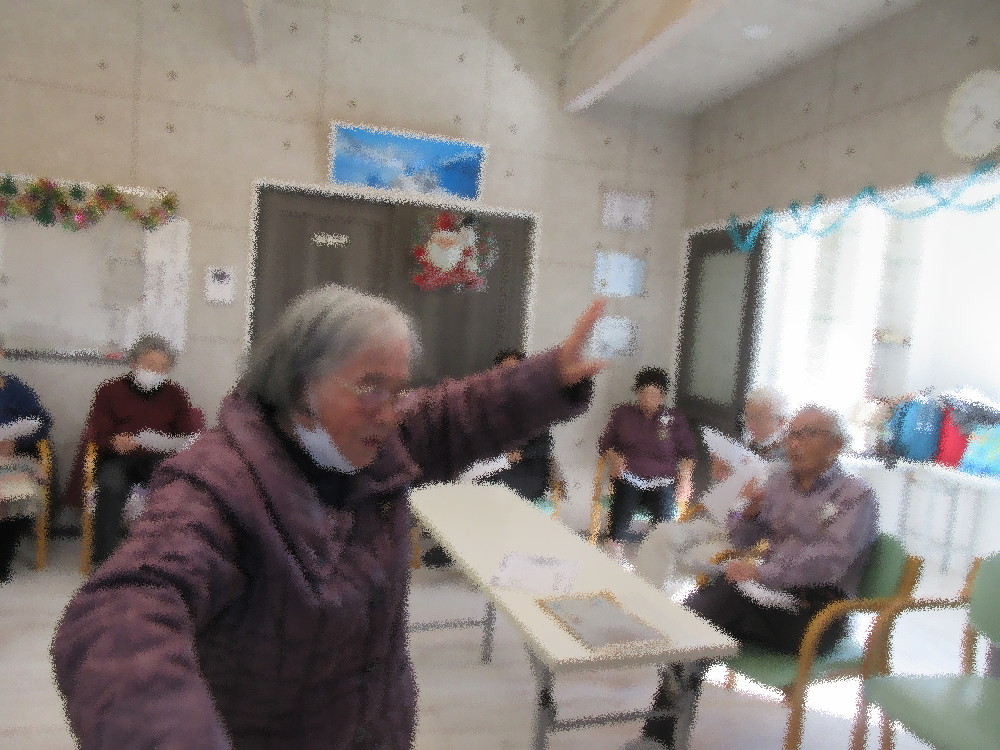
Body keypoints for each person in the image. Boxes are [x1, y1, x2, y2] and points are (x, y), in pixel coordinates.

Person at [51, 284, 606, 749]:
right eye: (370, 389)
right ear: (300, 385)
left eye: (397, 391)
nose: (390, 414)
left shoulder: (375, 441)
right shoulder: (217, 482)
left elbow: (452, 413)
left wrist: (549, 376)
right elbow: (122, 614)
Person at [624, 405, 878, 750]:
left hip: (816, 615)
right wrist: (749, 512)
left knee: (706, 616)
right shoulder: (780, 483)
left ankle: (659, 732)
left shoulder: (856, 495)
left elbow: (830, 562)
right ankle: (662, 733)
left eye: (807, 434)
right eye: (792, 434)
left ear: (835, 446)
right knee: (708, 614)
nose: (794, 443)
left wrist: (761, 572)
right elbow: (744, 539)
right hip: (766, 599)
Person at [639, 387, 790, 587]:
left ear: (781, 422)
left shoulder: (789, 463)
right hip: (718, 521)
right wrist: (722, 476)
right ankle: (645, 597)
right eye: (747, 417)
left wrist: (753, 501)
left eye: (757, 419)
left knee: (694, 555)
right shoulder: (752, 446)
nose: (749, 424)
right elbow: (726, 495)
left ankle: (660, 599)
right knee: (662, 533)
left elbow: (775, 518)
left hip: (744, 536)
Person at [74, 334, 201, 567]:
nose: (156, 372)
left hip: (158, 458)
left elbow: (187, 435)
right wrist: (114, 441)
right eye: (150, 365)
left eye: (162, 368)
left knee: (172, 488)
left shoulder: (175, 395)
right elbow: (97, 433)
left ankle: (160, 560)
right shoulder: (109, 391)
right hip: (118, 458)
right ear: (134, 363)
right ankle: (104, 562)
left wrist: (175, 444)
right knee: (111, 485)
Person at [598, 367, 696, 561]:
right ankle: (614, 546)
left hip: (662, 480)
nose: (648, 399)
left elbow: (688, 454)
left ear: (663, 396)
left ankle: (659, 556)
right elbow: (605, 444)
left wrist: (685, 479)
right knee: (625, 497)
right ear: (637, 393)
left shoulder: (674, 419)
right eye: (644, 393)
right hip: (630, 475)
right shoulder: (623, 414)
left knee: (664, 515)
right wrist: (614, 457)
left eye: (654, 395)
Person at [0, 337, 53, 583]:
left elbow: (42, 422)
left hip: (13, 457)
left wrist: (16, 440)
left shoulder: (15, 389)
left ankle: (3, 558)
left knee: (22, 494)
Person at [477, 349, 556, 500]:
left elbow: (545, 445)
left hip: (528, 470)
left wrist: (519, 454)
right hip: (496, 465)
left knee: (489, 485)